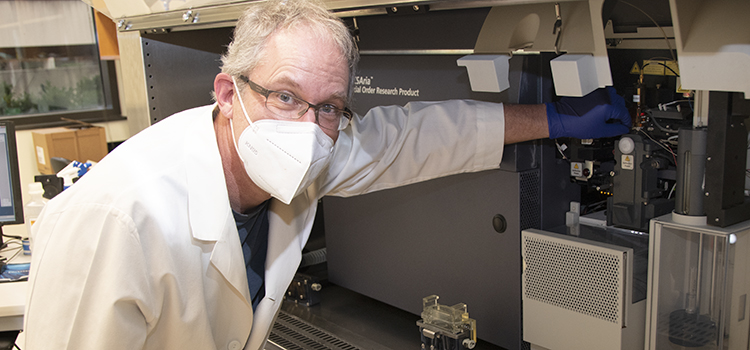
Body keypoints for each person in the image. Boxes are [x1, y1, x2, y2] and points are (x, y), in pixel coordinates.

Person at [23, 0, 630, 349]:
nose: (308, 129)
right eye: (284, 96)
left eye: (330, 106)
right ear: (228, 92)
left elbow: (411, 138)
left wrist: (551, 117)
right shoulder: (116, 222)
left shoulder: (309, 149)